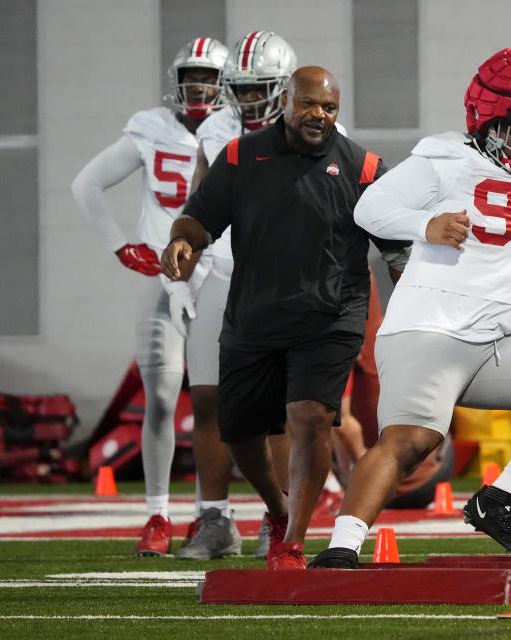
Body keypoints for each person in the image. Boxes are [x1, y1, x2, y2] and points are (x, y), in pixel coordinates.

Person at [308, 48, 511, 569]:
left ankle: (501, 499)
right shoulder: (447, 158)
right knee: (412, 440)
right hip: (427, 330)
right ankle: (341, 547)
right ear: (487, 120)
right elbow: (370, 208)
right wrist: (424, 226)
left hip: (497, 340)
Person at [161, 66, 410, 570]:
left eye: (330, 108)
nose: (319, 115)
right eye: (309, 105)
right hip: (254, 311)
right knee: (239, 430)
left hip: (331, 315)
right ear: (286, 102)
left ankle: (293, 540)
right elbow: (199, 217)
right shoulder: (239, 156)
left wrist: (416, 302)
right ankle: (276, 512)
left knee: (310, 418)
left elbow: (397, 249)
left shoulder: (364, 168)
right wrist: (183, 240)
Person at [71, 37, 229, 556]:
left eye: (209, 78)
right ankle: (157, 515)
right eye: (192, 78)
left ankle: (211, 515)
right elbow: (86, 185)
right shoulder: (151, 127)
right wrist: (120, 246)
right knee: (159, 398)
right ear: (178, 81)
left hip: (221, 278)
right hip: (167, 278)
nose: (199, 88)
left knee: (218, 402)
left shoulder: (234, 133)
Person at [171, 30, 297, 562]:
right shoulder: (216, 130)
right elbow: (197, 201)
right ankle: (216, 518)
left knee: (283, 410)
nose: (248, 99)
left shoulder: (309, 129)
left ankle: (281, 518)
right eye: (240, 88)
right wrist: (182, 267)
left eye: (259, 88)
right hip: (221, 273)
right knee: (208, 399)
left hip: (282, 280)